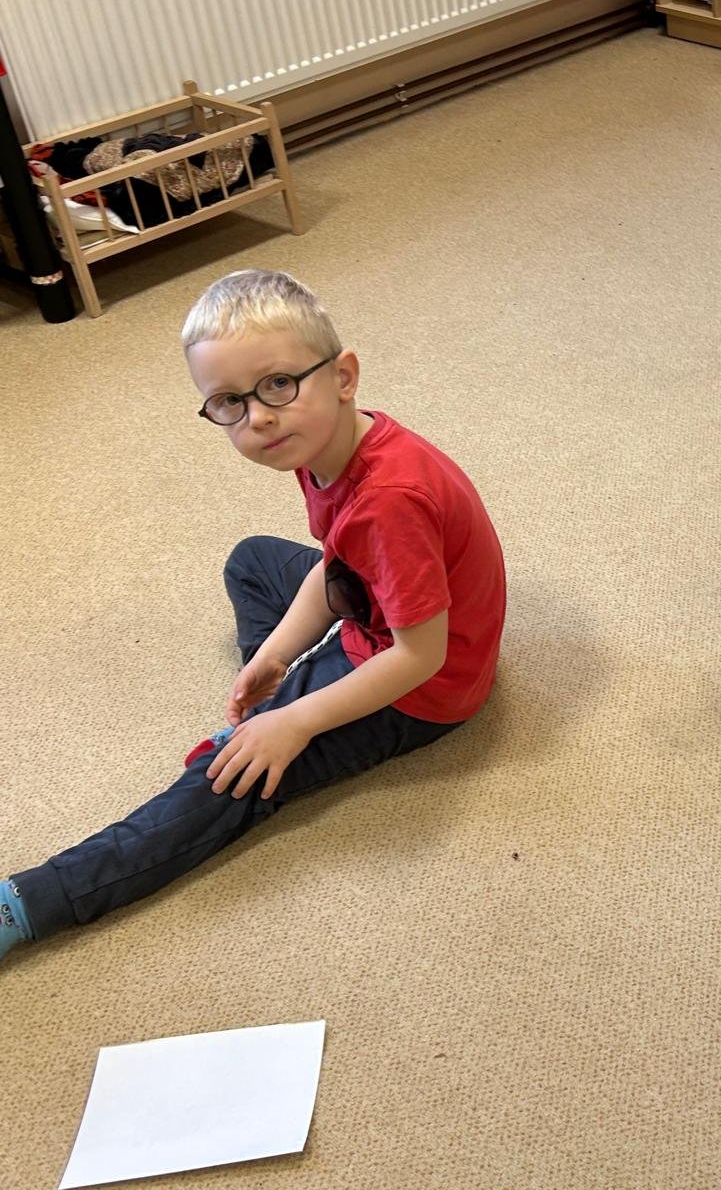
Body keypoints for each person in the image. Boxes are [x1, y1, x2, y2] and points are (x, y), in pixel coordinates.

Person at [0, 270, 507, 960]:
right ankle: (283, 700)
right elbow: (337, 565)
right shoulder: (327, 442)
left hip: (424, 686)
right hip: (387, 613)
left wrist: (292, 721)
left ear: (344, 376)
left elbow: (422, 655)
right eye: (229, 403)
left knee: (227, 775)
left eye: (278, 385)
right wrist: (274, 656)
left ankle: (32, 902)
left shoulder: (389, 501)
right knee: (252, 561)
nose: (258, 419)